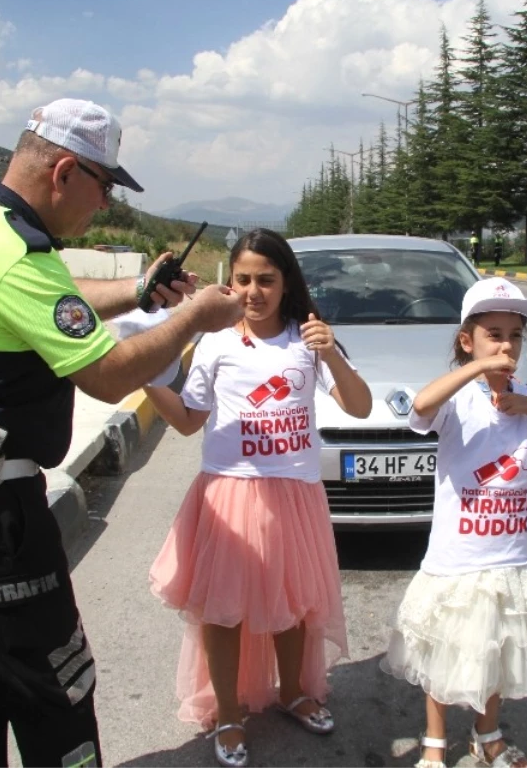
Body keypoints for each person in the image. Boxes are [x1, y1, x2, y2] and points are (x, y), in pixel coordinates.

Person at [0, 98, 244, 768]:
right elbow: (109, 375)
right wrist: (195, 315)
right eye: (104, 184)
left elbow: (54, 295)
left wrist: (140, 291)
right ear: (63, 172)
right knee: (57, 683)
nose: (106, 202)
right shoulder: (15, 255)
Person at [146, 228, 373, 767]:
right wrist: (146, 379)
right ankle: (228, 714)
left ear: (286, 281)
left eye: (266, 279)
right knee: (223, 614)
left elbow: (360, 406)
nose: (254, 291)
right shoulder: (217, 342)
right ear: (230, 281)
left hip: (295, 498)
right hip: (230, 494)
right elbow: (185, 422)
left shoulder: (308, 337)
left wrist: (332, 355)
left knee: (295, 606)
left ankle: (294, 692)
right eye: (243, 278)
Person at [381, 278, 527, 768]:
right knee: (444, 652)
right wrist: (476, 370)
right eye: (493, 333)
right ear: (467, 339)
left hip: (510, 559)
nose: (506, 345)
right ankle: (435, 745)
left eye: (515, 335)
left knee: (496, 653)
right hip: (458, 559)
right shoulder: (459, 400)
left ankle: (487, 733)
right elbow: (421, 406)